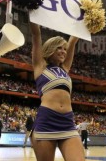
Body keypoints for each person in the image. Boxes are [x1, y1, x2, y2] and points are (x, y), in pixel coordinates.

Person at [30, 22, 85, 161]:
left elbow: (73, 40)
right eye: (59, 48)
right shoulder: (40, 67)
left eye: (64, 49)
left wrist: (85, 20)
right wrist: (31, 8)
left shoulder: (65, 68)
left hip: (67, 121)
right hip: (46, 120)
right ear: (50, 49)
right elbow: (36, 34)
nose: (63, 51)